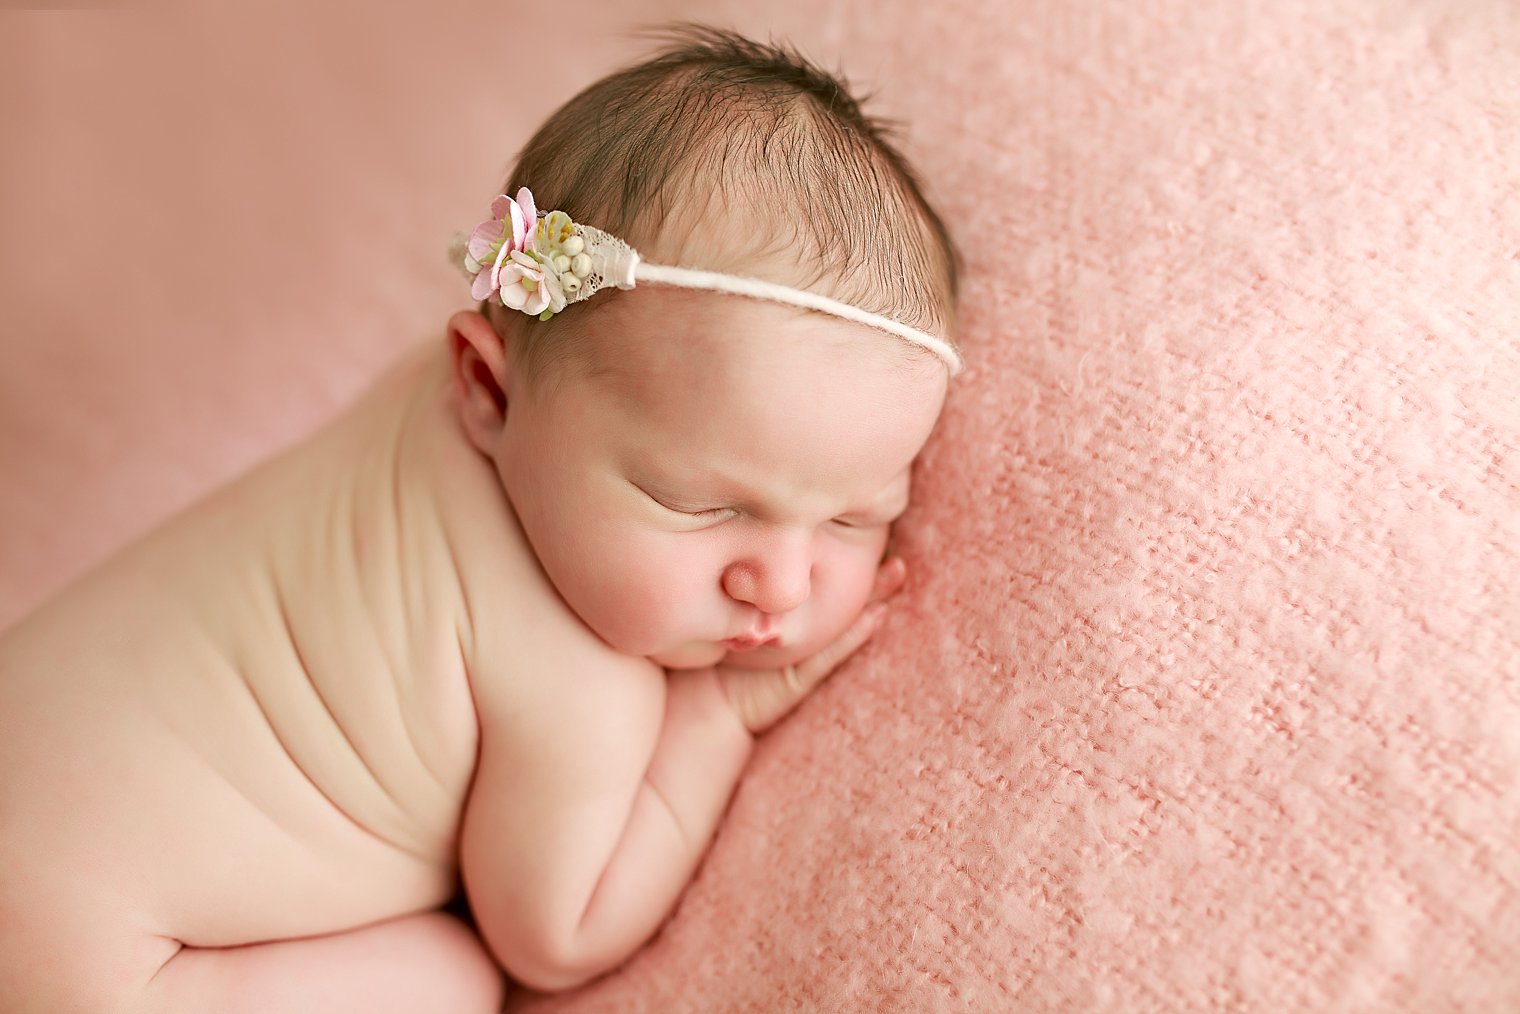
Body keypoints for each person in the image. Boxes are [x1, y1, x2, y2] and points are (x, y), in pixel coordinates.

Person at [0, 25, 960, 1012]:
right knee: (457, 977)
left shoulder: (466, 394)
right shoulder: (576, 681)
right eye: (700, 505)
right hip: (101, 966)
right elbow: (555, 937)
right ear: (486, 390)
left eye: (854, 517)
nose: (782, 582)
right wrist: (711, 721)